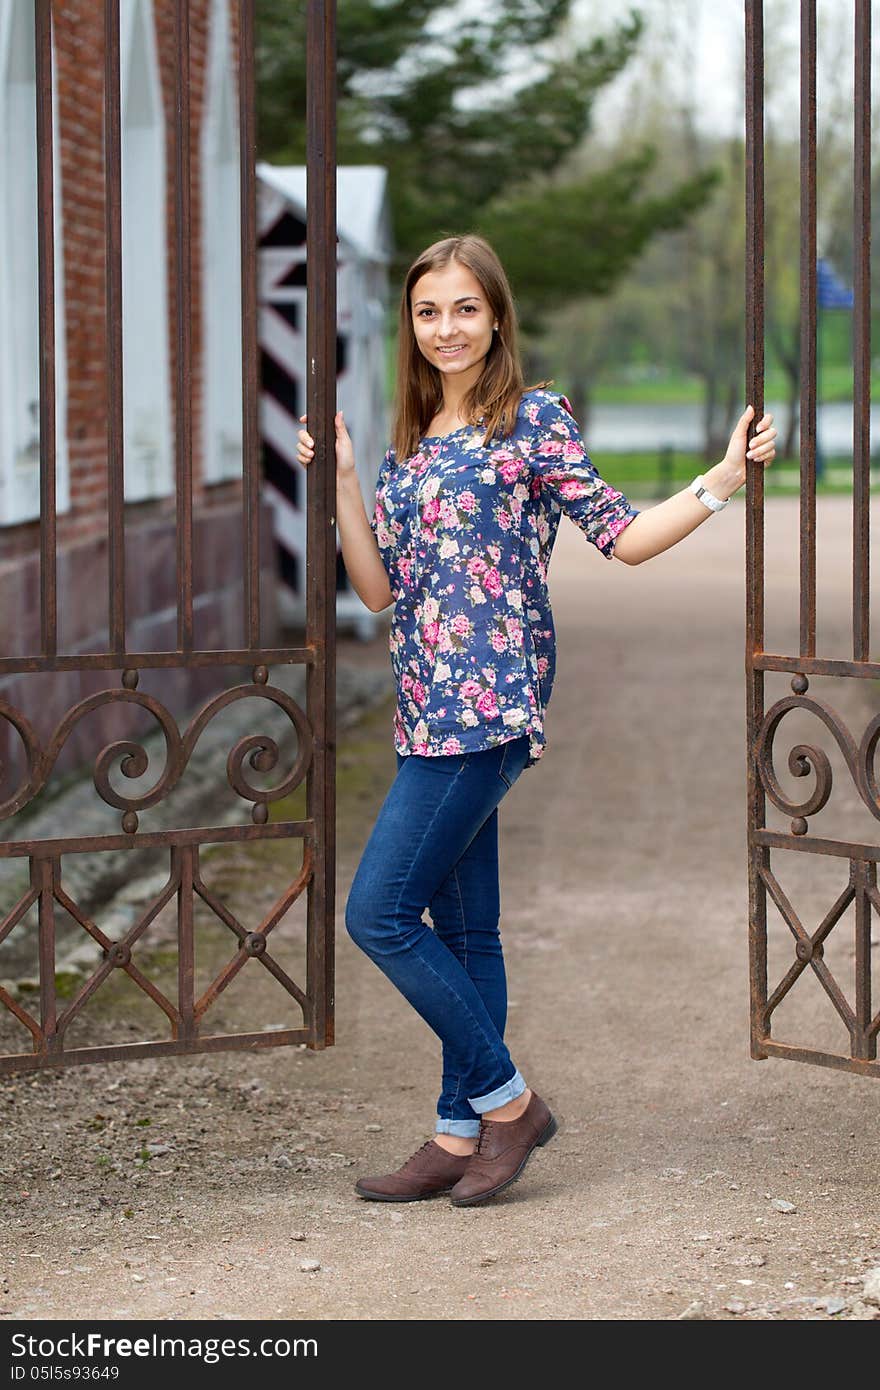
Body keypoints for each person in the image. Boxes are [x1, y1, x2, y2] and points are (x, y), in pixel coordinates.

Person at [296, 234, 776, 1207]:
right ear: (412, 326)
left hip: (490, 711)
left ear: (496, 317)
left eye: (464, 308)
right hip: (425, 710)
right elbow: (376, 589)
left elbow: (623, 537)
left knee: (377, 913)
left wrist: (719, 478)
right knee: (466, 932)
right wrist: (344, 480)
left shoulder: (532, 422)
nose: (446, 328)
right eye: (428, 311)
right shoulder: (407, 445)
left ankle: (508, 1106)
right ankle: (455, 1130)